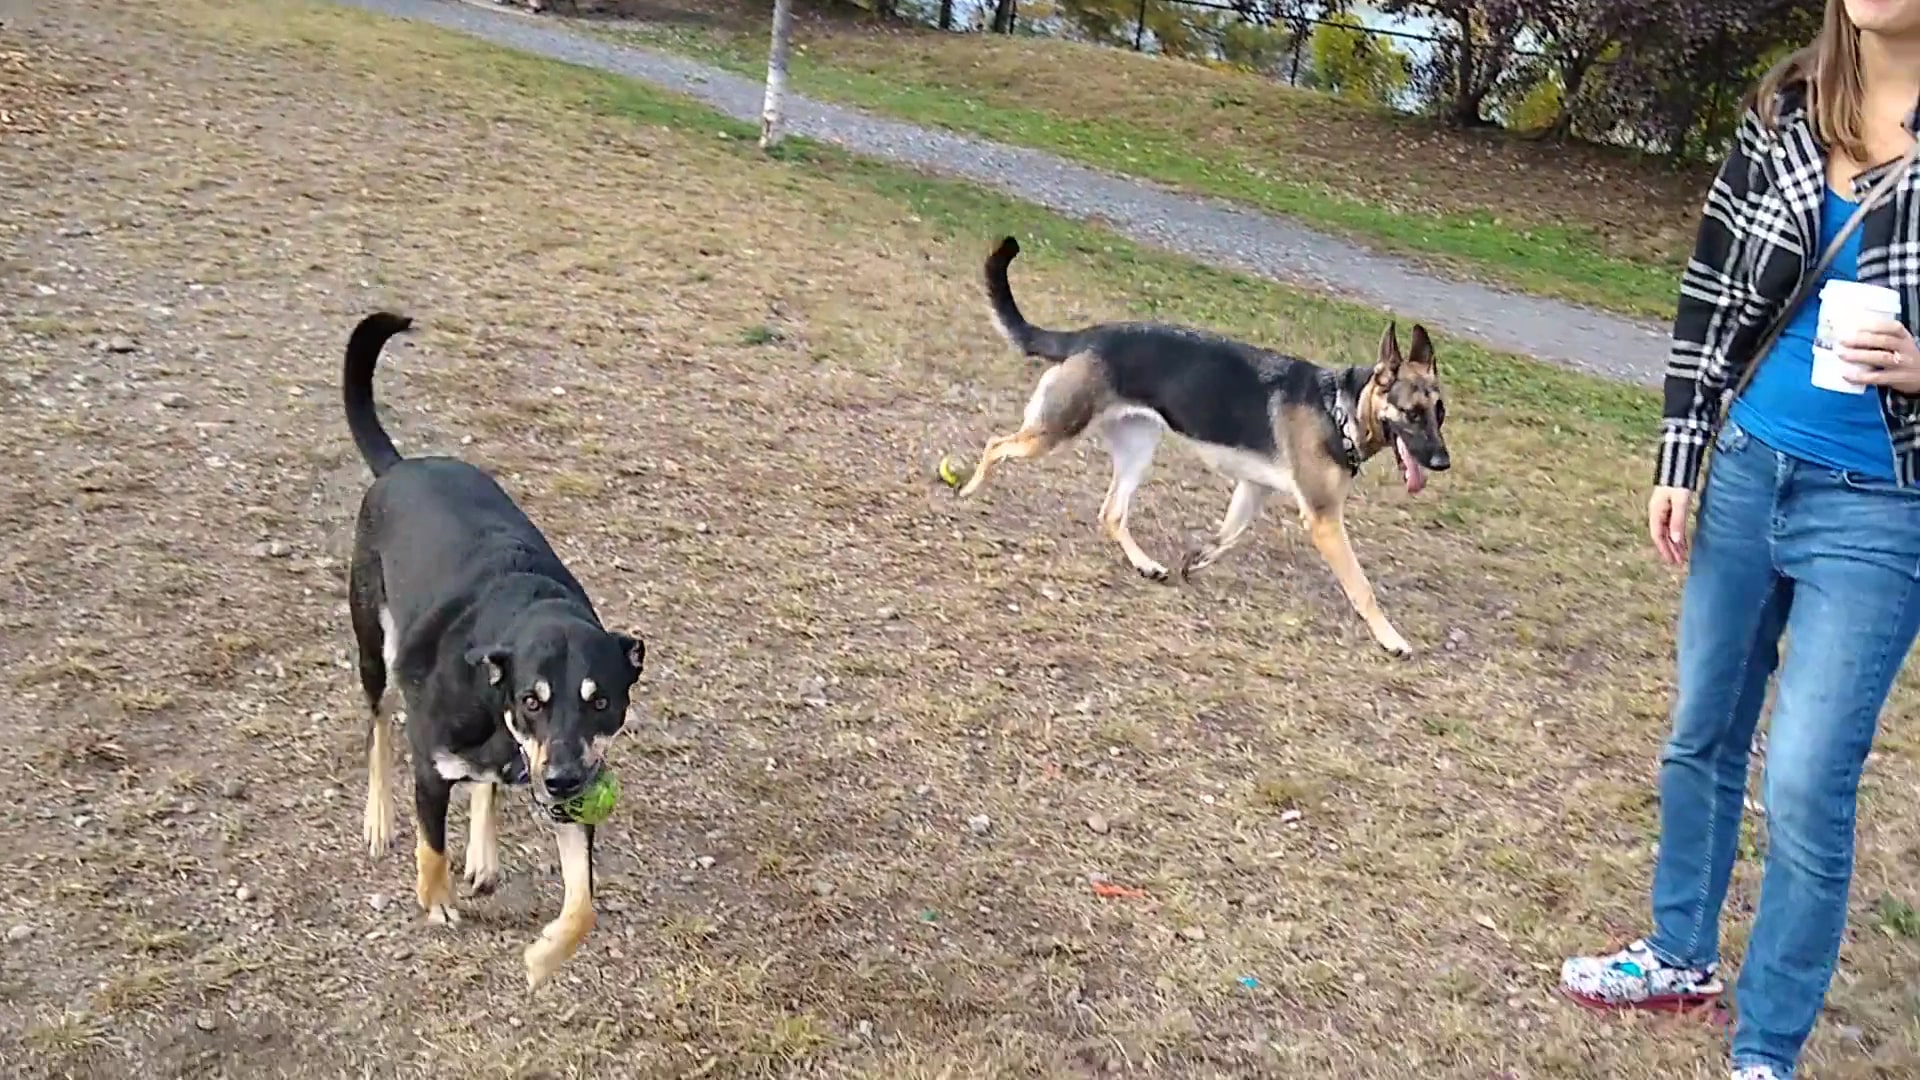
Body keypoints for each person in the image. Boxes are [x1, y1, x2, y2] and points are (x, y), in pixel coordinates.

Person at [1556, 2, 1920, 1078]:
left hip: (1880, 503)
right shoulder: (1787, 106)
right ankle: (1677, 955)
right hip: (1751, 466)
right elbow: (1710, 295)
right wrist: (1681, 456)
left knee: (1808, 779)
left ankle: (1765, 1050)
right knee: (1702, 729)